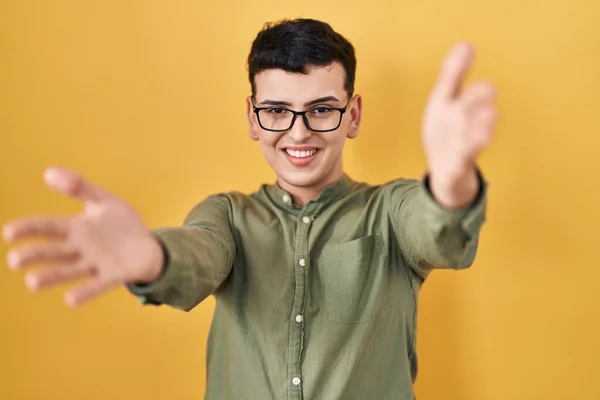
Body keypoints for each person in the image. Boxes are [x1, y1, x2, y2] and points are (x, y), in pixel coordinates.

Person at [2, 18, 496, 400]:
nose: (298, 132)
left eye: (321, 109)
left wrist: (451, 179)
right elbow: (199, 252)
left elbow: (438, 231)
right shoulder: (228, 216)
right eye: (277, 110)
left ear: (353, 115)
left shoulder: (389, 210)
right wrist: (150, 256)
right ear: (252, 118)